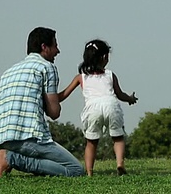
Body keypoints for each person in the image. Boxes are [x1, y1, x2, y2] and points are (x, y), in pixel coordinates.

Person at [0, 27, 85, 177]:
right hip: (30, 138)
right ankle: (11, 158)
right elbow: (54, 113)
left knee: (49, 163)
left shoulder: (8, 73)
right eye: (55, 45)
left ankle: (10, 155)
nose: (58, 51)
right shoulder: (47, 67)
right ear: (44, 47)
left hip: (4, 138)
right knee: (76, 170)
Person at [58, 39, 138, 176]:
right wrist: (130, 99)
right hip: (111, 105)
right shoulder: (110, 75)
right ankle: (119, 163)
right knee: (118, 138)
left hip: (92, 109)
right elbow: (120, 94)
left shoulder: (81, 77)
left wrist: (51, 98)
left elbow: (64, 94)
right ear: (104, 57)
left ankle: (89, 172)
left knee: (91, 142)